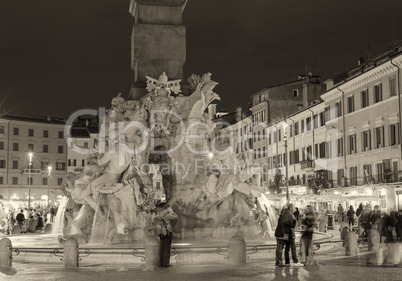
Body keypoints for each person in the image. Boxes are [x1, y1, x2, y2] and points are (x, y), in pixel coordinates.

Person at [154, 203, 178, 268]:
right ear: (167, 208)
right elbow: (176, 217)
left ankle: (161, 263)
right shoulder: (168, 215)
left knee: (162, 247)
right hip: (167, 232)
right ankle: (166, 264)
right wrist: (172, 212)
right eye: (170, 208)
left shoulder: (160, 214)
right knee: (167, 248)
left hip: (161, 232)